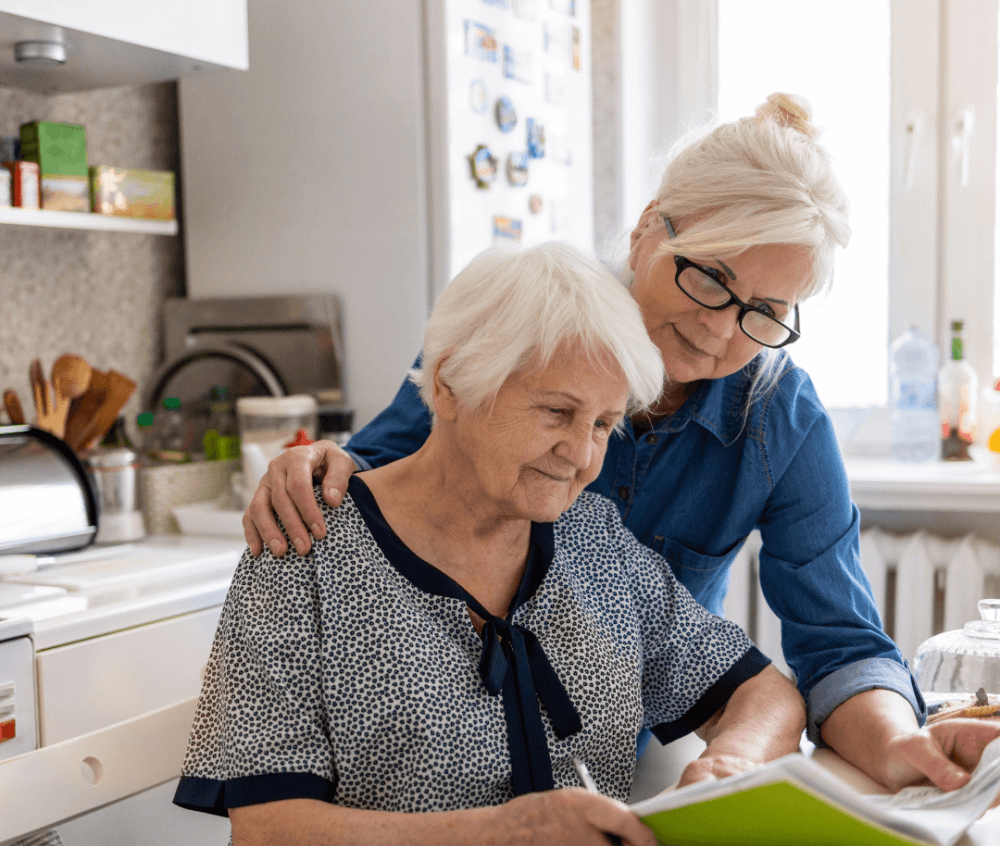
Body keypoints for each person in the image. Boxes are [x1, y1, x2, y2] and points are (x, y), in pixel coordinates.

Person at [243, 94, 991, 794]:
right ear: (647, 229)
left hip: (609, 762)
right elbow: (378, 477)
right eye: (709, 278)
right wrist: (315, 465)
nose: (722, 329)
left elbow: (839, 645)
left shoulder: (778, 417)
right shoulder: (526, 327)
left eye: (765, 311)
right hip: (427, 766)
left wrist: (901, 745)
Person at [173, 242, 809, 846]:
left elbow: (763, 693)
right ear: (450, 385)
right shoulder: (306, 546)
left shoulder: (592, 541)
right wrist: (511, 842)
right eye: (557, 412)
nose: (580, 455)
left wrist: (727, 766)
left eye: (605, 425)